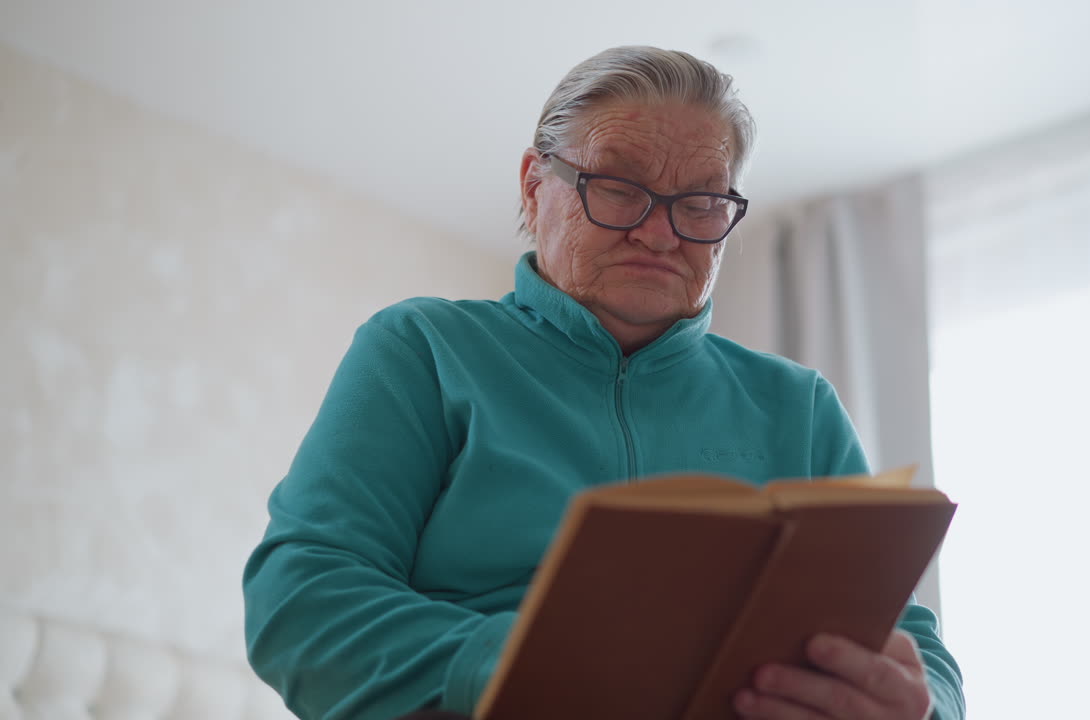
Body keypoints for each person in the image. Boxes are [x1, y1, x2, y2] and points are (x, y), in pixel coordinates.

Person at [243, 46, 964, 720]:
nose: (659, 234)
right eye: (619, 188)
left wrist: (917, 703)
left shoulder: (799, 407)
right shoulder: (426, 350)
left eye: (701, 203)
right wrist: (527, 664)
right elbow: (300, 600)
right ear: (534, 185)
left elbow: (912, 640)